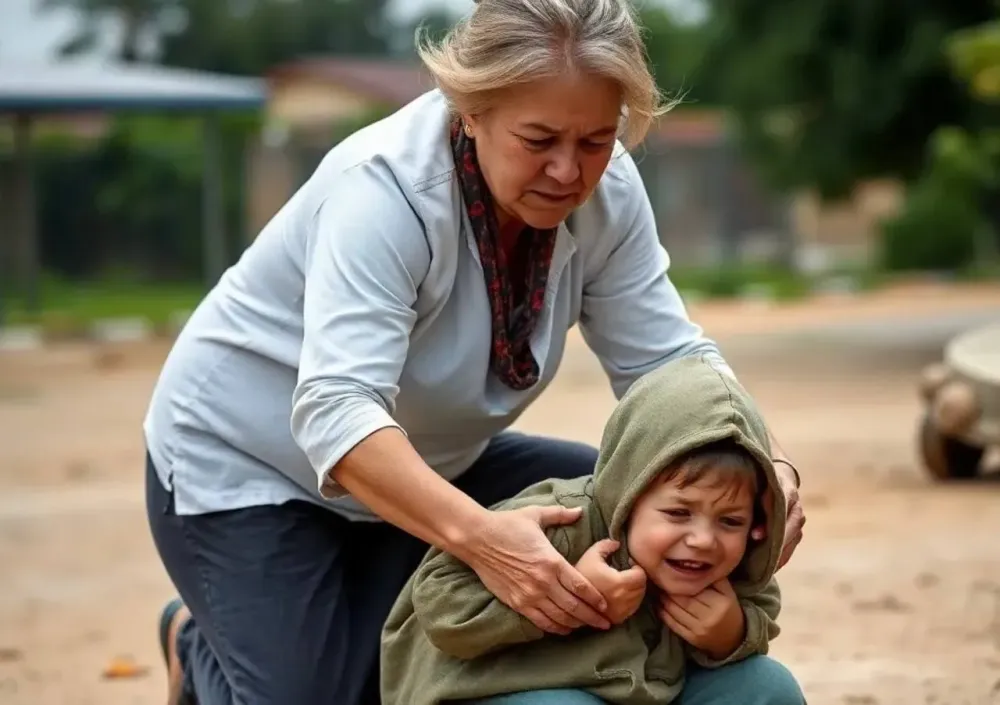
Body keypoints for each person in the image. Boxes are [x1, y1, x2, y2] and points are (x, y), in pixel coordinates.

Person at [144, 0, 805, 703]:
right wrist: (485, 541)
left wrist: (760, 461)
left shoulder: (608, 189)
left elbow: (667, 362)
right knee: (312, 694)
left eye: (594, 140)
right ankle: (195, 640)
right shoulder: (385, 191)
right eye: (539, 138)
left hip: (432, 459)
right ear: (470, 110)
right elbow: (337, 413)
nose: (568, 169)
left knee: (652, 507)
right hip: (248, 462)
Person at [382, 354, 804, 705]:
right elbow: (440, 607)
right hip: (505, 689)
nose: (703, 540)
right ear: (629, 491)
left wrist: (731, 634)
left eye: (731, 520)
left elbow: (759, 606)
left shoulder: (731, 560)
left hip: (643, 689)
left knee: (768, 688)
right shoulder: (562, 525)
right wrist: (570, 594)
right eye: (678, 513)